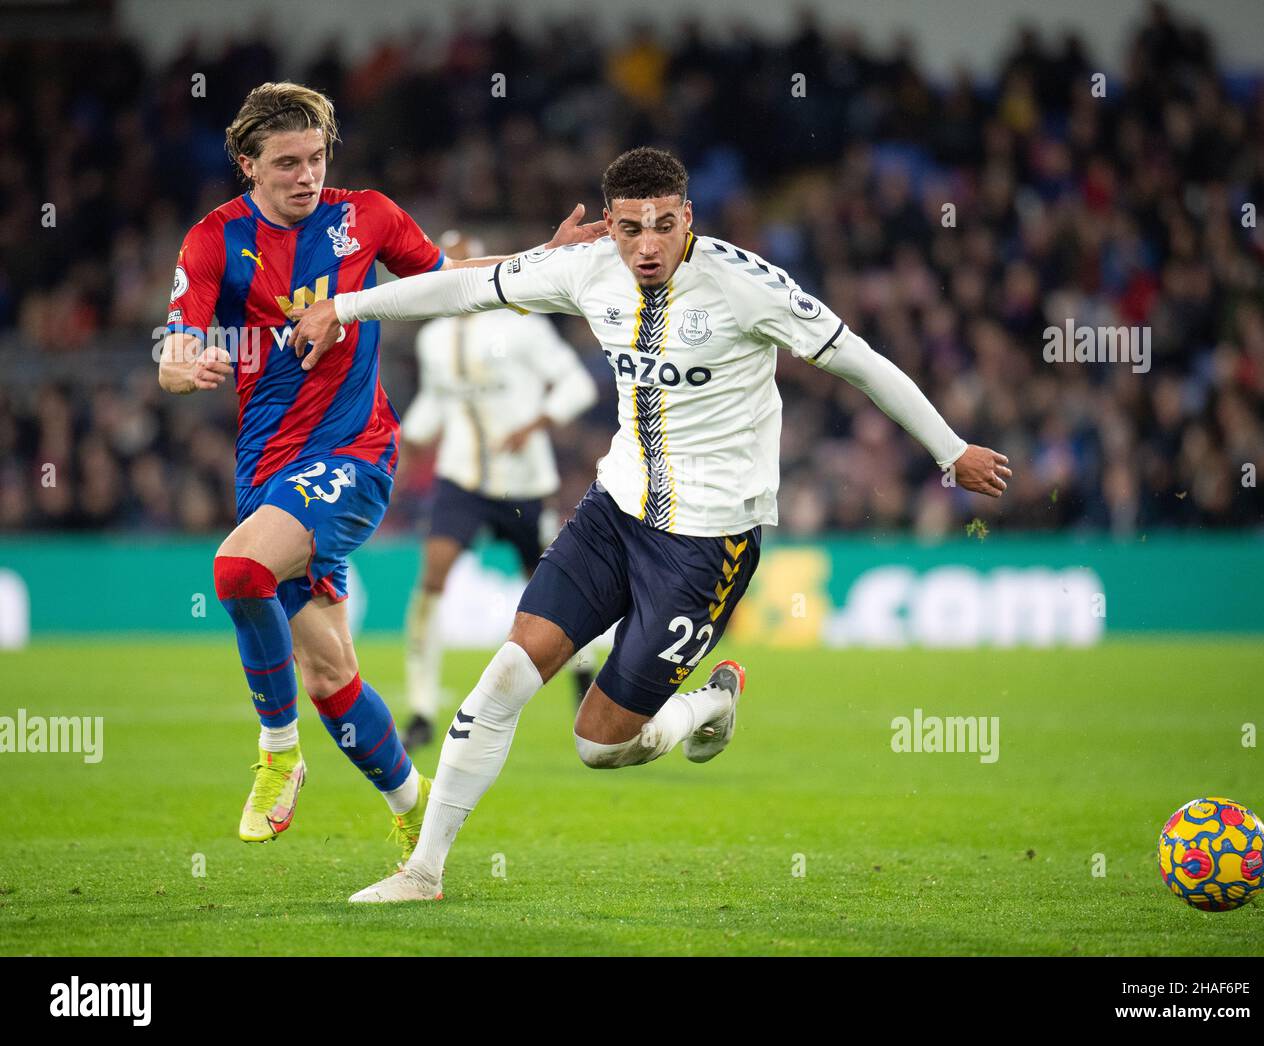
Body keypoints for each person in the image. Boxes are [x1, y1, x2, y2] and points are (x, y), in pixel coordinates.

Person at [290, 146, 1012, 902]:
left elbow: (859, 361)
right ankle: (423, 872)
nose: (647, 246)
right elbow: (469, 289)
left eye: (664, 226)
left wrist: (950, 451)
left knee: (598, 745)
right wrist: (345, 306)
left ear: (687, 217)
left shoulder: (743, 284)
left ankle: (708, 704)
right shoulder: (588, 268)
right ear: (610, 223)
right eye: (631, 228)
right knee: (505, 674)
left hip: (707, 545)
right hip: (613, 512)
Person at [156, 81, 601, 867]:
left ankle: (277, 753)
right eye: (286, 162)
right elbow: (174, 346)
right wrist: (181, 364)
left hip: (355, 457)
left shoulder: (367, 216)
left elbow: (451, 281)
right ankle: (414, 807)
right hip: (267, 475)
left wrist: (541, 261)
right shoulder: (214, 241)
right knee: (330, 672)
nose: (307, 175)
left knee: (234, 568)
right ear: (245, 165)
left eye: (317, 157)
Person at [400, 230, 600, 749]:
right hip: (461, 477)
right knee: (432, 578)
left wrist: (536, 423)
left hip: (524, 483)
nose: (455, 274)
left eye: (464, 263)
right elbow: (435, 404)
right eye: (448, 266)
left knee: (556, 590)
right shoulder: (434, 338)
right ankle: (421, 708)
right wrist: (408, 441)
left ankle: (581, 671)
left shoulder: (521, 324)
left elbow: (576, 384)